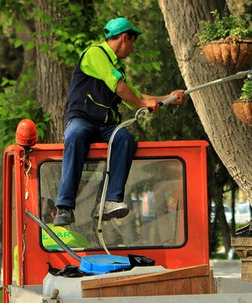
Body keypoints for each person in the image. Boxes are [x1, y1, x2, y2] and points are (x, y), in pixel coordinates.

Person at [54, 17, 185, 226]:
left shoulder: (117, 67)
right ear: (124, 37)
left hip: (105, 126)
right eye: (132, 42)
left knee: (124, 138)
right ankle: (65, 207)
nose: (132, 49)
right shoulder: (95, 53)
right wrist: (144, 104)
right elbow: (121, 89)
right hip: (82, 120)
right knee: (75, 135)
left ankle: (109, 201)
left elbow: (135, 94)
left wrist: (166, 98)